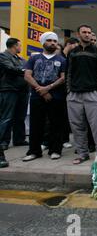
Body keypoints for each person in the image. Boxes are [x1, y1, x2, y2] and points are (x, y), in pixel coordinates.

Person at [66, 24, 97, 164]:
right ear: (78, 35)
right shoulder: (72, 52)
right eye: (84, 32)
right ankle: (82, 153)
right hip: (74, 95)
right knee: (77, 126)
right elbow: (68, 73)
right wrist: (68, 92)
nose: (87, 35)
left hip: (92, 94)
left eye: (89, 32)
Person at [22, 32, 67, 161]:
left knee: (56, 124)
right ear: (43, 43)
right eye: (49, 40)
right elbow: (27, 76)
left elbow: (63, 78)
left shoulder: (62, 60)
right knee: (36, 124)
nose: (53, 43)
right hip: (37, 97)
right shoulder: (34, 58)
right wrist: (41, 90)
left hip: (56, 97)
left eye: (55, 41)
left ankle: (55, 150)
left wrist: (47, 88)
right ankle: (34, 151)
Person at [0, 38, 28, 167]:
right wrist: (24, 71)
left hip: (22, 91)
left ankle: (19, 139)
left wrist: (24, 70)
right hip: (9, 90)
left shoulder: (20, 59)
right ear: (14, 45)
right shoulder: (3, 56)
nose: (20, 47)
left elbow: (27, 68)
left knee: (20, 117)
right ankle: (3, 142)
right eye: (19, 45)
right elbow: (10, 69)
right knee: (7, 117)